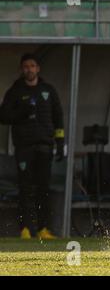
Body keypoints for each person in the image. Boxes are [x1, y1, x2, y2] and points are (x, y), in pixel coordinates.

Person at [0, 53, 65, 240]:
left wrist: (60, 142)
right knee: (25, 188)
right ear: (22, 69)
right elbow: (3, 116)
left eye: (32, 66)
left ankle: (44, 229)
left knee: (43, 188)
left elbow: (58, 117)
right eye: (26, 66)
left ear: (38, 68)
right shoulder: (15, 90)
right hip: (24, 147)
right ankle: (26, 229)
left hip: (44, 146)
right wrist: (21, 112)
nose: (29, 69)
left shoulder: (48, 90)